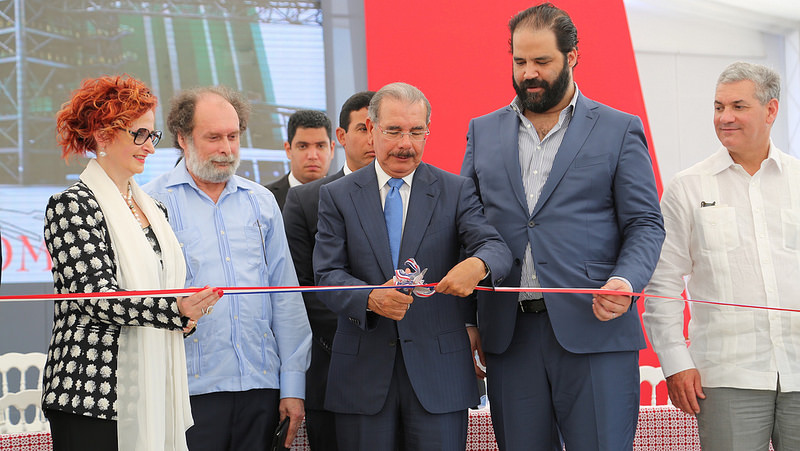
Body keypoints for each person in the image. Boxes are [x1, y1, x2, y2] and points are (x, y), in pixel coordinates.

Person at [460, 3, 665, 449]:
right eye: (519, 62)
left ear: (572, 56)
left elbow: (646, 223)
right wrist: (466, 320)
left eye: (542, 61)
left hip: (596, 330)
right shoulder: (482, 131)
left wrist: (625, 280)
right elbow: (467, 227)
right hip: (509, 337)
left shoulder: (619, 128)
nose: (528, 73)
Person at [313, 82, 512, 451]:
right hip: (362, 376)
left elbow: (495, 246)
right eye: (394, 131)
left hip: (439, 377)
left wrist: (479, 264)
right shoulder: (337, 195)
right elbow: (326, 275)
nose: (406, 143)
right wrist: (370, 297)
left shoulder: (455, 190)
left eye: (416, 131)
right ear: (371, 130)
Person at [42, 75, 221, 451]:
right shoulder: (71, 205)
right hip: (90, 395)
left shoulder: (154, 208)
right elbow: (95, 296)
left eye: (152, 136)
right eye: (139, 135)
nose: (149, 148)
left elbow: (163, 296)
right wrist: (174, 310)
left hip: (151, 389)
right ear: (103, 135)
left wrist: (186, 317)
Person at [143, 86, 312, 450]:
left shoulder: (262, 202)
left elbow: (285, 297)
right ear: (183, 139)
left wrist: (293, 386)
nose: (227, 148)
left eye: (233, 136)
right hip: (187, 392)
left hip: (262, 388)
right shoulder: (151, 203)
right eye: (214, 137)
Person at [643, 62, 800, 451]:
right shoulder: (687, 187)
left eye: (738, 106)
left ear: (771, 110)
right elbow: (661, 283)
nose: (724, 118)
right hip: (727, 375)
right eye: (718, 107)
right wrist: (676, 361)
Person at [281, 90, 375, 450]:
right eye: (363, 128)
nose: (372, 138)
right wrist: (365, 326)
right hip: (335, 362)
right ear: (343, 136)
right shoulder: (307, 199)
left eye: (378, 128)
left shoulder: (423, 193)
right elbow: (302, 289)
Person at [266, 109, 335, 209]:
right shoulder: (266, 198)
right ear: (288, 149)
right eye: (303, 146)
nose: (312, 156)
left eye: (320, 146)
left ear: (332, 149)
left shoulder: (345, 195)